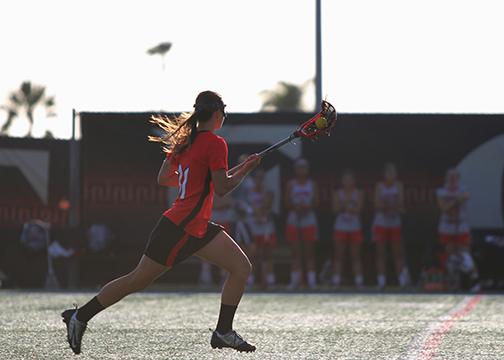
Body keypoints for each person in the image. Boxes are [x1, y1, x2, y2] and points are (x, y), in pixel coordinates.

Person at [62, 91, 260, 354]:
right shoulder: (215, 143)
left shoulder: (186, 142)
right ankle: (80, 316)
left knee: (241, 267)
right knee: (136, 281)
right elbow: (222, 188)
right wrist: (245, 170)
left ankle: (223, 331)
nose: (223, 117)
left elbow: (164, 178)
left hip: (194, 225)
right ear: (216, 114)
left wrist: (209, 176)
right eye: (224, 112)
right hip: (181, 227)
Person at [436, 168, 479, 290]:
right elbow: (444, 208)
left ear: (458, 178)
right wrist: (456, 200)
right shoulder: (441, 191)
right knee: (451, 253)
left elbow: (465, 197)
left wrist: (453, 202)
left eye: (455, 177)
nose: (452, 180)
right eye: (450, 177)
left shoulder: (463, 189)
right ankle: (453, 283)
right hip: (446, 226)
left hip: (461, 226)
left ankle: (474, 280)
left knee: (465, 253)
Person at [372, 163, 409, 289]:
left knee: (397, 253)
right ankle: (381, 281)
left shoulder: (398, 186)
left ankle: (402, 281)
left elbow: (400, 204)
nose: (391, 175)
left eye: (393, 173)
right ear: (384, 175)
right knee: (380, 253)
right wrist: (390, 206)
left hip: (394, 223)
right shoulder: (379, 186)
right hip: (381, 223)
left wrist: (390, 206)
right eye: (388, 173)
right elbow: (377, 205)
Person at [285, 158, 319, 289]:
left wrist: (307, 207)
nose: (301, 170)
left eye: (304, 167)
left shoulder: (312, 184)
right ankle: (295, 281)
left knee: (309, 251)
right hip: (294, 219)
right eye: (299, 167)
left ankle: (311, 281)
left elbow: (316, 202)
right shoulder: (291, 184)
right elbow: (287, 202)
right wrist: (296, 206)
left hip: (309, 219)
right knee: (295, 252)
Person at [332, 170, 364, 288]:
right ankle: (336, 281)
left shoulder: (358, 193)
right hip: (340, 227)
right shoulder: (338, 193)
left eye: (350, 179)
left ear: (353, 181)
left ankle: (359, 281)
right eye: (345, 179)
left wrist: (346, 207)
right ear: (342, 181)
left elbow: (359, 209)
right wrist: (346, 206)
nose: (348, 182)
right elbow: (335, 209)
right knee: (338, 255)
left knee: (355, 255)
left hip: (354, 227)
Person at [247, 168, 276, 288]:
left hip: (265, 227)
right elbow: (250, 207)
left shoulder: (268, 192)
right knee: (252, 254)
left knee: (267, 253)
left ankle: (269, 279)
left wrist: (259, 212)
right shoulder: (248, 193)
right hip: (253, 226)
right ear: (253, 179)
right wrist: (256, 213)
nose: (259, 180)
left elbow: (267, 205)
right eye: (257, 178)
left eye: (261, 178)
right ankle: (250, 280)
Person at [199, 193, 234, 285]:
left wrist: (220, 205)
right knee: (206, 246)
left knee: (224, 249)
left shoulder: (226, 188)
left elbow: (229, 202)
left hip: (224, 220)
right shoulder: (208, 188)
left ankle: (223, 275)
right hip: (210, 219)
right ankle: (205, 275)